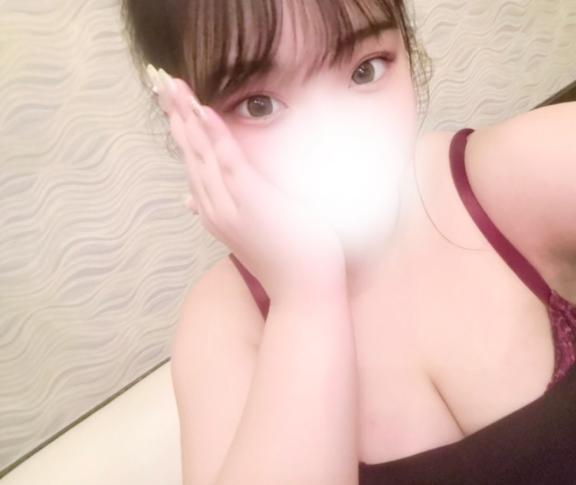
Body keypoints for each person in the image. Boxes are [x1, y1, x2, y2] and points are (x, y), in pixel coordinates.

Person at [122, 1, 576, 484]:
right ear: (184, 118)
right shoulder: (224, 322)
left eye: (365, 70)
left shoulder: (514, 174)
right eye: (258, 105)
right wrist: (304, 296)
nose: (334, 137)